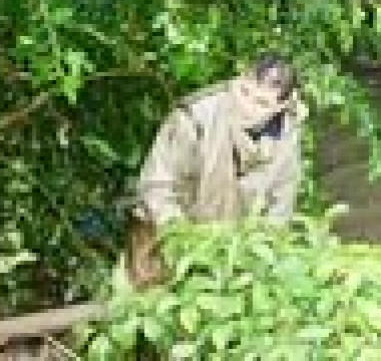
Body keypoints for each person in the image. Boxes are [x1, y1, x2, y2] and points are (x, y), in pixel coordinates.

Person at [124, 55, 307, 287]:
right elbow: (157, 188)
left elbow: (280, 210)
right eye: (243, 92)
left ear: (282, 105)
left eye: (261, 103)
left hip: (232, 250)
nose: (245, 106)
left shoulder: (287, 138)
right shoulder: (194, 117)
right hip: (167, 236)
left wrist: (259, 253)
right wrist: (188, 243)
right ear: (238, 80)